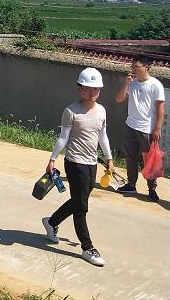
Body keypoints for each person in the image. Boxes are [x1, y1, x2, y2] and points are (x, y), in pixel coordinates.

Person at [41, 67, 114, 267]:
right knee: (81, 206)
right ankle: (87, 248)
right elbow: (63, 137)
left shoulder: (101, 110)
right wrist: (52, 159)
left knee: (78, 200)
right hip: (74, 163)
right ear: (79, 87)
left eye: (96, 88)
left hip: (91, 163)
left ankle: (51, 222)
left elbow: (102, 136)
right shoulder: (71, 111)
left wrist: (109, 158)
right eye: (88, 88)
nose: (92, 92)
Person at [115, 54, 166, 201]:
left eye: (136, 67)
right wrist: (126, 84)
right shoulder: (132, 83)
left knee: (149, 160)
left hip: (146, 129)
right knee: (130, 157)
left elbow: (160, 107)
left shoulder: (155, 84)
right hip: (130, 125)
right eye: (132, 67)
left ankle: (152, 188)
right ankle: (131, 184)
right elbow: (119, 99)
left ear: (146, 67)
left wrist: (157, 128)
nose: (133, 70)